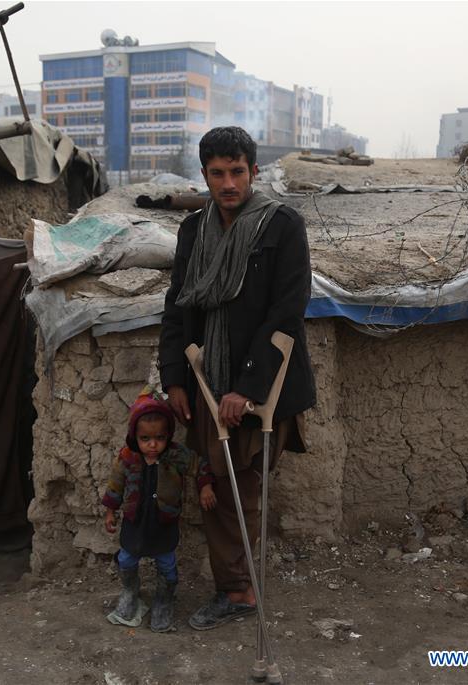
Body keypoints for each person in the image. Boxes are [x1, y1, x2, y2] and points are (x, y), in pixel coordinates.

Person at [158, 126, 316, 631]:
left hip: (259, 385)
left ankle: (240, 590)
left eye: (237, 171)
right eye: (217, 173)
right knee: (218, 483)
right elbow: (179, 308)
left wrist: (246, 388)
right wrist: (176, 379)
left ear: (253, 171)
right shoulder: (194, 230)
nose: (228, 183)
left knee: (235, 487)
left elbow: (286, 312)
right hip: (207, 383)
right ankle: (238, 586)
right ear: (204, 175)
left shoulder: (281, 225)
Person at [102, 392, 215, 632]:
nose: (152, 445)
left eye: (159, 438)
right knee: (126, 558)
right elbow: (115, 485)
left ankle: (164, 599)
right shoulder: (127, 457)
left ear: (168, 436)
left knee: (165, 562)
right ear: (135, 436)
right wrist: (110, 511)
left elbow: (199, 465)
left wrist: (205, 487)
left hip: (164, 522)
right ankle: (130, 591)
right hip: (135, 523)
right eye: (145, 438)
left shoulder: (175, 455)